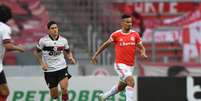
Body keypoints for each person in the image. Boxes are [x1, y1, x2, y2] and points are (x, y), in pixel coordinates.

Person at [91, 14, 148, 101]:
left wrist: (143, 52)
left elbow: (141, 46)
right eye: (127, 22)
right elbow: (105, 45)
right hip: (120, 64)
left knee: (121, 87)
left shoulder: (135, 35)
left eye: (131, 22)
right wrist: (96, 54)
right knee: (131, 81)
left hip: (131, 66)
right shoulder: (116, 35)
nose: (130, 24)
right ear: (122, 23)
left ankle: (103, 97)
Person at [34, 21, 76, 101]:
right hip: (49, 70)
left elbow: (67, 51)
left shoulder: (63, 40)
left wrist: (71, 57)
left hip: (62, 67)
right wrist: (42, 64)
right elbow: (37, 53)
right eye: (52, 28)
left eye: (56, 28)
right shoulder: (43, 41)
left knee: (64, 88)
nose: (55, 30)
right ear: (48, 30)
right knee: (55, 96)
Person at [0, 4, 25, 101]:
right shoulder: (4, 28)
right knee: (5, 92)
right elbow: (7, 46)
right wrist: (18, 48)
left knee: (4, 92)